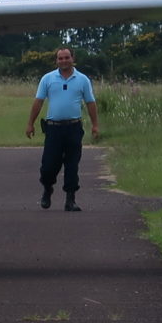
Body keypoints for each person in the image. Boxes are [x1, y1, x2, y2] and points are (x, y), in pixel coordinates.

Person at [25, 46, 99, 211]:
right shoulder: (48, 79)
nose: (64, 61)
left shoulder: (82, 79)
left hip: (73, 127)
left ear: (73, 58)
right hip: (54, 129)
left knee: (72, 165)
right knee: (48, 166)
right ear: (56, 60)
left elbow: (90, 102)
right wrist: (30, 123)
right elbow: (38, 101)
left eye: (67, 58)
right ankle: (47, 188)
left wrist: (95, 125)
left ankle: (70, 199)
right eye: (60, 58)